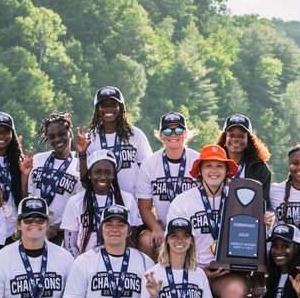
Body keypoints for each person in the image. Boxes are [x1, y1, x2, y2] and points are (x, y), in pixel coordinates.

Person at [169, 143, 250, 298]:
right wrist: (198, 271)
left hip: (226, 272)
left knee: (237, 291)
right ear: (199, 171)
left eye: (219, 166)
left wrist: (263, 221)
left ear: (227, 171)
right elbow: (173, 244)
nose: (214, 171)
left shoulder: (240, 198)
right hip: (192, 270)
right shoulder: (183, 201)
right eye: (208, 166)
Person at [136, 112, 200, 255]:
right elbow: (144, 207)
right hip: (164, 227)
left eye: (178, 130)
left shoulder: (198, 161)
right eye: (167, 130)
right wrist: (156, 228)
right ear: (161, 135)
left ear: (185, 134)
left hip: (194, 228)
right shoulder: (150, 164)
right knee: (146, 240)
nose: (173, 134)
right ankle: (154, 276)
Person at [59, 150, 139, 257]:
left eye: (108, 172)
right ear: (89, 174)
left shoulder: (127, 199)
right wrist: (80, 265)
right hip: (84, 262)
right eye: (97, 172)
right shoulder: (75, 201)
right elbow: (70, 245)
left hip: (118, 260)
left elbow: (131, 239)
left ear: (114, 175)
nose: (102, 177)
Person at [84, 86, 152, 202]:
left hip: (133, 202)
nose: (108, 109)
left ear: (121, 107)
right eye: (104, 105)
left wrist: (145, 201)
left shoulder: (136, 135)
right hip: (100, 201)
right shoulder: (90, 138)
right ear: (97, 109)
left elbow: (147, 171)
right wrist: (81, 153)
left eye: (113, 105)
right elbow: (84, 179)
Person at [27, 112, 82, 242]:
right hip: (33, 227)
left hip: (59, 233)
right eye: (52, 136)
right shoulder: (38, 160)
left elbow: (78, 207)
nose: (57, 139)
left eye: (61, 134)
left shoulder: (79, 167)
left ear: (70, 133)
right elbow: (28, 194)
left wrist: (56, 228)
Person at [215, 114, 272, 185]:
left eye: (241, 136)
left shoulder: (259, 169)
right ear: (224, 139)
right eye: (231, 135)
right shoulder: (212, 164)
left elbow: (263, 195)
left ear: (249, 141)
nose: (235, 139)